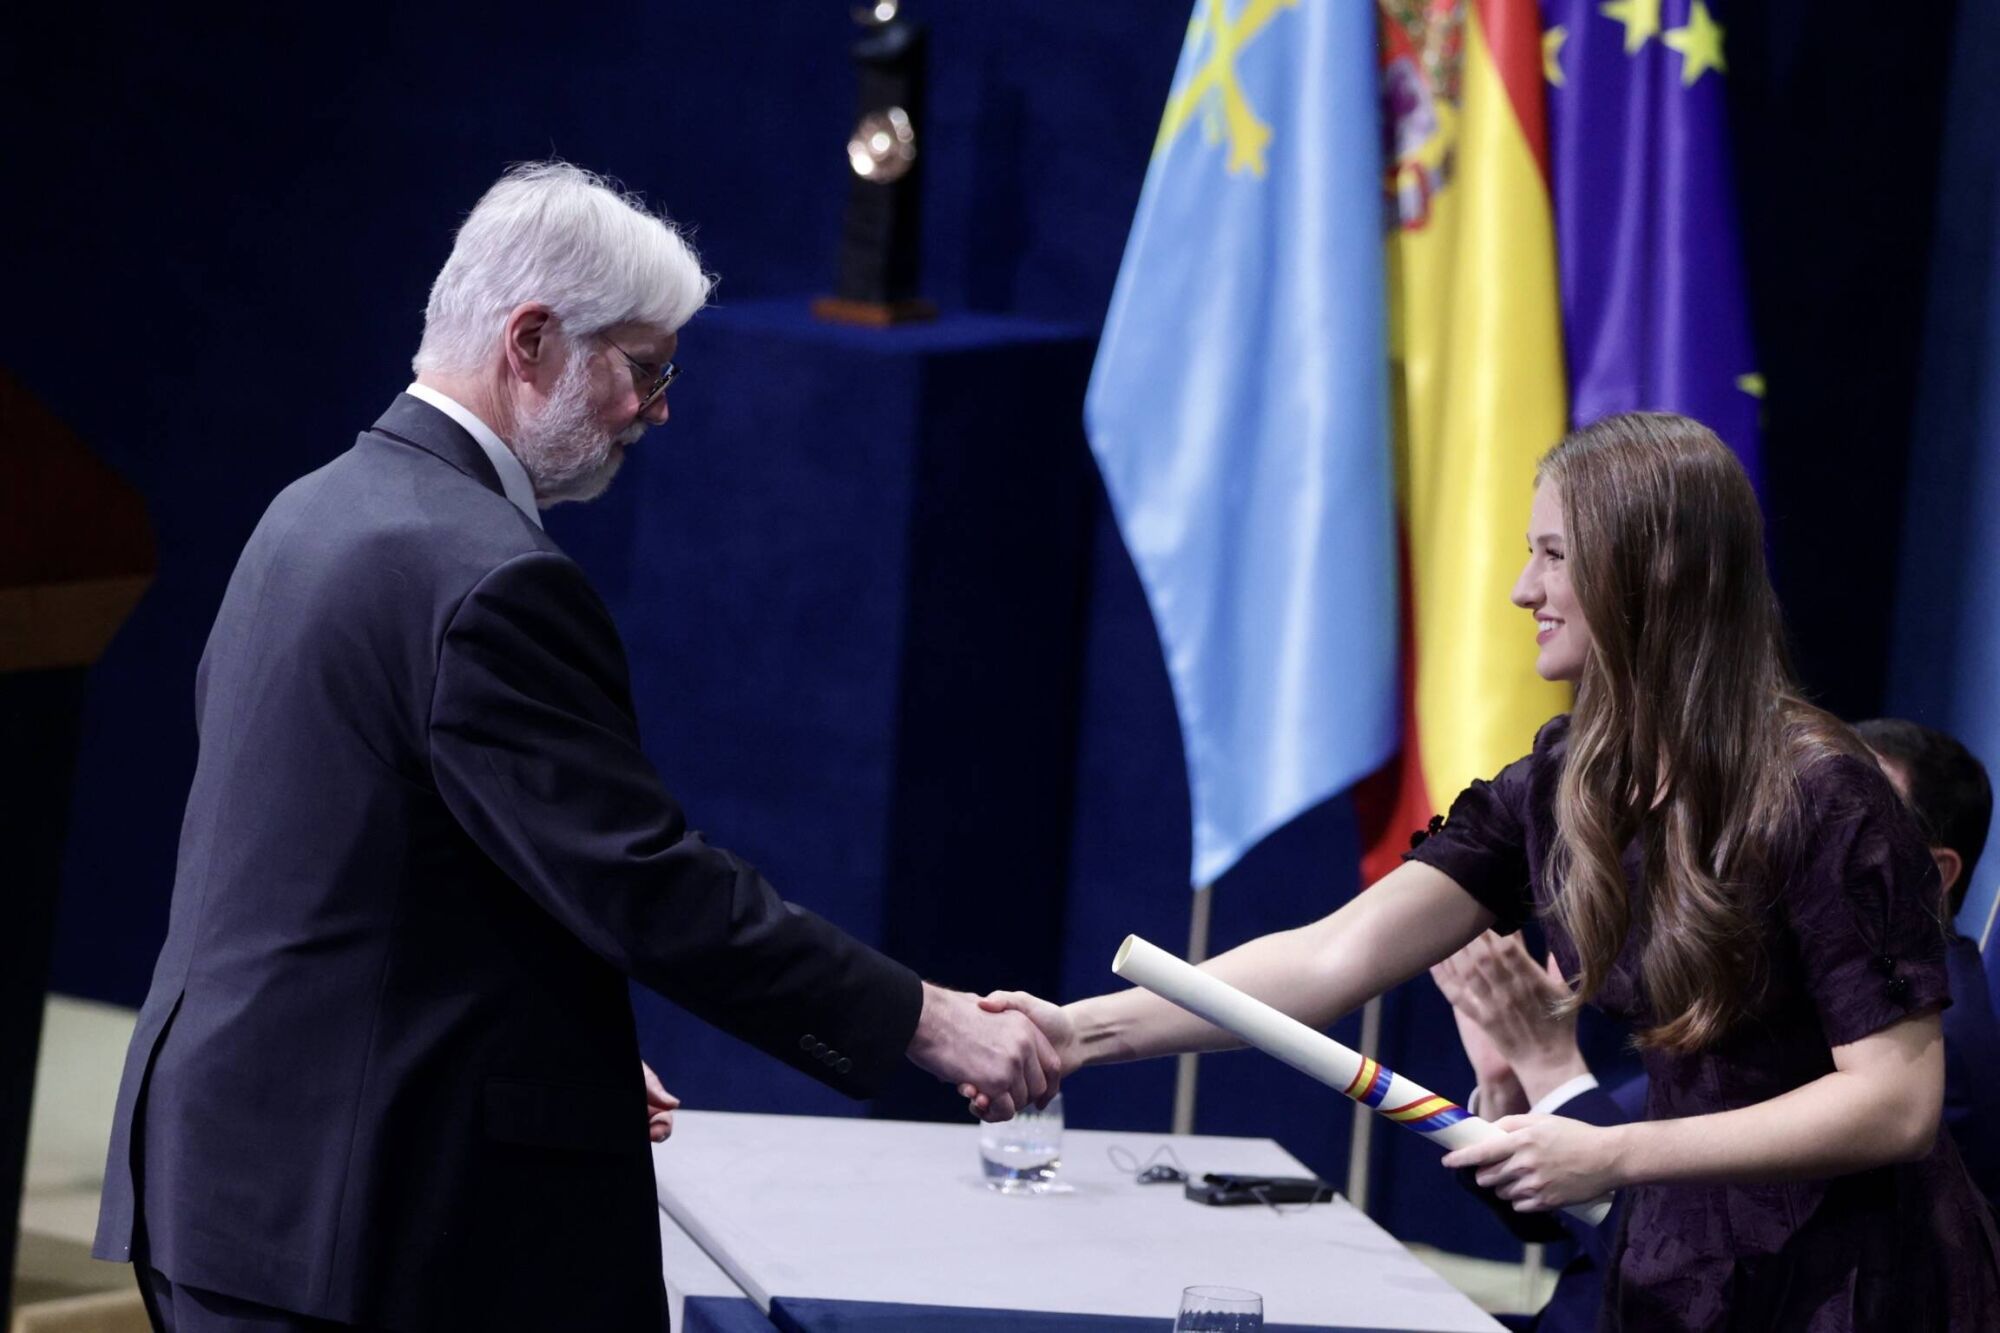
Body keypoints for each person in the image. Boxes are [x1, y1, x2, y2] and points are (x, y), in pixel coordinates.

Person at [92, 162, 1060, 1332]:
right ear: (534, 340)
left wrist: (560, 1050)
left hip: (237, 1183)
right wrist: (924, 1017)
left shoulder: (314, 507)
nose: (658, 408)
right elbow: (644, 882)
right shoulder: (488, 577)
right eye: (645, 368)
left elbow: (373, 866)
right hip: (361, 1223)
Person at [982, 413, 2000, 1330]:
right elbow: (1328, 956)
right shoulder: (1562, 778)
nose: (1523, 590)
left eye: (1553, 555)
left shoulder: (1824, 793)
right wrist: (1076, 1033)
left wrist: (1608, 1153)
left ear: (1651, 572)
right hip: (1678, 1266)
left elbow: (1894, 1105)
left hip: (1848, 1290)